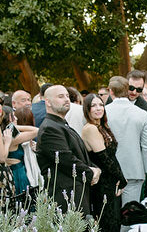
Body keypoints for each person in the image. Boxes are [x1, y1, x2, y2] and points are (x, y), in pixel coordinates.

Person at [36, 84, 99, 214]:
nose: (66, 99)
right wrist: (91, 173)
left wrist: (95, 169)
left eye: (67, 96)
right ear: (47, 101)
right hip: (66, 198)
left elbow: (80, 154)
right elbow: (66, 160)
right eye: (60, 96)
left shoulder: (61, 125)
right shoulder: (50, 128)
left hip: (77, 192)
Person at [80, 93, 126, 232]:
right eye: (94, 106)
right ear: (87, 109)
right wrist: (122, 180)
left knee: (114, 227)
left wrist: (119, 180)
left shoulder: (102, 127)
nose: (98, 108)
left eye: (101, 105)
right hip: (103, 185)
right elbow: (105, 159)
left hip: (111, 181)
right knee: (107, 228)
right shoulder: (90, 128)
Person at [105, 76, 147, 204]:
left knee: (110, 213)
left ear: (111, 91)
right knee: (130, 213)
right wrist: (144, 169)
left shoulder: (104, 112)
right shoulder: (141, 113)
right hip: (134, 169)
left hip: (109, 168)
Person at [1, 93, 39, 211]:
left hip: (16, 169)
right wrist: (15, 126)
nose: (16, 119)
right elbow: (36, 130)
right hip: (18, 173)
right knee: (24, 203)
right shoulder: (13, 138)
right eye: (13, 117)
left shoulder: (5, 135)